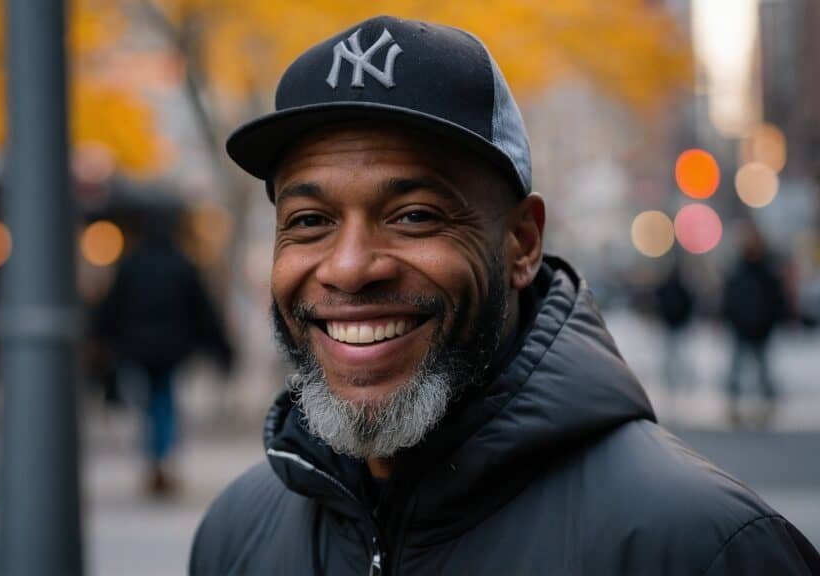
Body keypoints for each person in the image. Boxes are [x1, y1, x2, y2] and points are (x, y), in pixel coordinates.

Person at [190, 16, 820, 574]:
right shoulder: (234, 535)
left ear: (522, 243)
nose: (350, 268)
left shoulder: (701, 548)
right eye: (309, 222)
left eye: (413, 215)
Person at [100, 209, 233, 496]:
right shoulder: (182, 265)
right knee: (164, 400)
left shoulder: (131, 265)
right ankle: (162, 461)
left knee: (149, 404)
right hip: (173, 349)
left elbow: (111, 307)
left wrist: (104, 339)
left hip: (138, 348)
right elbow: (203, 310)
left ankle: (154, 461)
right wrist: (221, 348)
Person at [722, 225, 788, 427]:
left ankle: (768, 402)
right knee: (738, 368)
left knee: (763, 369)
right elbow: (729, 298)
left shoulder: (767, 271)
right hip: (741, 328)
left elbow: (777, 300)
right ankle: (734, 402)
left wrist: (772, 321)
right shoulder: (738, 270)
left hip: (761, 329)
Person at [653, 258, 695, 392]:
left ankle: (674, 378)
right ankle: (671, 379)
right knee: (673, 355)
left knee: (675, 355)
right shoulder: (678, 287)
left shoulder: (676, 287)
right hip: (672, 324)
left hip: (676, 324)